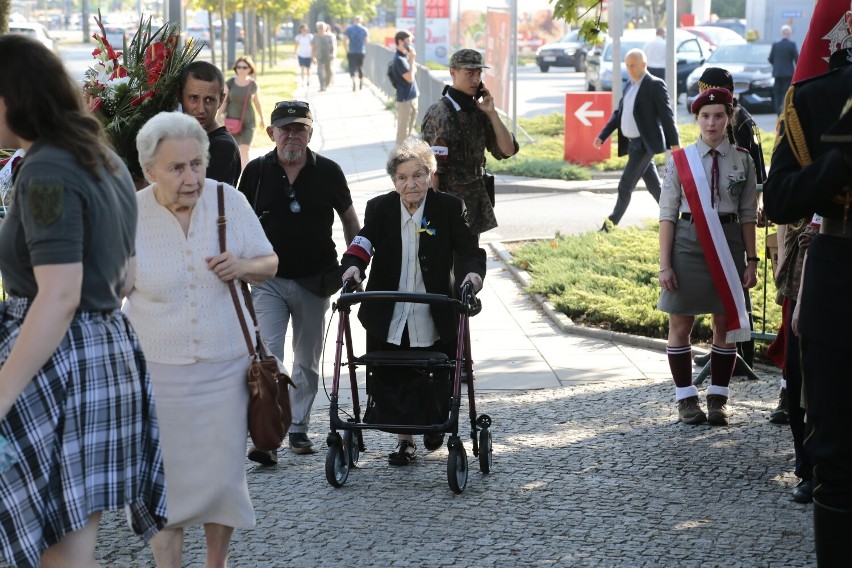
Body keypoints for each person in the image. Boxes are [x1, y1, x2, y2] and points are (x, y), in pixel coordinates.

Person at [0, 34, 167, 568]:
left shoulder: (47, 169)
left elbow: (60, 294)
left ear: (11, 98)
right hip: (105, 357)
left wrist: (1, 393)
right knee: (70, 552)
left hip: (58, 365)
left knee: (57, 551)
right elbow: (123, 277)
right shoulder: (104, 159)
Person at [126, 111, 278, 567]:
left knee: (222, 481)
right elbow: (109, 290)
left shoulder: (228, 200)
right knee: (164, 486)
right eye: (176, 168)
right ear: (150, 171)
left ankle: (217, 563)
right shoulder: (130, 212)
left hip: (225, 369)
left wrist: (243, 266)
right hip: (158, 376)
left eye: (197, 164)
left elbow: (269, 261)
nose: (190, 177)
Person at [763, 3, 852, 562]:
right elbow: (780, 200)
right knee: (836, 454)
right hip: (840, 275)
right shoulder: (817, 100)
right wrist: (840, 164)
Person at [340, 138, 486, 465]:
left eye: (418, 175)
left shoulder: (448, 208)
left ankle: (436, 423)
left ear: (430, 175)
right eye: (403, 178)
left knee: (436, 371)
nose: (411, 184)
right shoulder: (380, 208)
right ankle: (404, 441)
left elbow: (469, 251)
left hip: (434, 310)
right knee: (393, 373)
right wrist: (352, 266)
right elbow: (363, 242)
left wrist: (472, 277)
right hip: (389, 309)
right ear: (394, 182)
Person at [237, 100, 360, 463]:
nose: (292, 135)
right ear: (271, 132)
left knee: (307, 360)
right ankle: (268, 436)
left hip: (315, 279)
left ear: (310, 132)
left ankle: (299, 427)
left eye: (300, 128)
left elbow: (351, 220)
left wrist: (355, 264)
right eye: (285, 128)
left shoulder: (329, 171)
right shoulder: (257, 171)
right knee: (269, 357)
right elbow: (242, 221)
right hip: (268, 279)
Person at [658, 87, 758, 427]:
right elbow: (667, 215)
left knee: (725, 324)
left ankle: (718, 398)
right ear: (696, 119)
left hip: (728, 242)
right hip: (686, 242)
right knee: (680, 322)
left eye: (718, 116)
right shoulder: (679, 159)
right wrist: (664, 264)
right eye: (705, 116)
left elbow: (747, 215)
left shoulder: (743, 159)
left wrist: (753, 260)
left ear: (728, 118)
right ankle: (686, 399)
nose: (711, 123)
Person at [690, 67, 767, 374]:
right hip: (717, 215)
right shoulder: (734, 115)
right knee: (721, 290)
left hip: (734, 218)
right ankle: (721, 348)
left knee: (737, 291)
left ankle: (739, 352)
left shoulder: (739, 121)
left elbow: (753, 169)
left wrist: (757, 203)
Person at [421, 49, 519, 239]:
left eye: (478, 73)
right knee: (452, 264)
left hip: (475, 200)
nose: (475, 79)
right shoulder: (440, 114)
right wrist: (432, 214)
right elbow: (433, 170)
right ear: (453, 73)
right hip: (450, 204)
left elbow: (507, 150)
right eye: (469, 73)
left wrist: (492, 113)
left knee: (470, 261)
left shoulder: (478, 111)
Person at [594, 49, 680, 231]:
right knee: (654, 186)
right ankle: (676, 218)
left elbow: (667, 115)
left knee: (625, 185)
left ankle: (608, 227)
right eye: (627, 65)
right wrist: (603, 135)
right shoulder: (629, 85)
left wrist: (675, 144)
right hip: (633, 145)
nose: (630, 68)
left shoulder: (654, 85)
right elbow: (619, 114)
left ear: (644, 64)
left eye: (633, 65)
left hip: (645, 144)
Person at [179, 60, 241, 187]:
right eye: (193, 98)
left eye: (209, 100)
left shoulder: (223, 148)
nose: (201, 109)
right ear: (179, 96)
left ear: (221, 100)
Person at [222, 55, 265, 170]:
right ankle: (234, 175)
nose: (241, 69)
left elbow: (257, 102)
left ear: (250, 69)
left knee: (245, 149)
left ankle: (245, 175)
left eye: (244, 67)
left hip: (248, 121)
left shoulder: (253, 84)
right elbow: (224, 101)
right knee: (233, 150)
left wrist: (262, 118)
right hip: (231, 121)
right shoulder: (230, 82)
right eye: (239, 67)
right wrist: (217, 116)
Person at [391, 30, 419, 146]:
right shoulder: (399, 59)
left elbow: (414, 71)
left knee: (409, 131)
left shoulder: (404, 57)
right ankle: (399, 158)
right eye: (408, 42)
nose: (410, 45)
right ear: (400, 42)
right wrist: (412, 59)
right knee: (403, 131)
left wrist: (411, 60)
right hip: (405, 100)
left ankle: (405, 156)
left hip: (411, 97)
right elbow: (410, 78)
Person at [768, 25, 799, 115]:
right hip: (788, 74)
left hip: (777, 74)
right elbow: (797, 59)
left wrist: (777, 65)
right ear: (789, 34)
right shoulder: (792, 45)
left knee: (777, 94)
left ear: (782, 33)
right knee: (786, 94)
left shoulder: (775, 45)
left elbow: (770, 59)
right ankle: (784, 113)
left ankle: (778, 113)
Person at [344, 15, 369, 91]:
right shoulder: (364, 29)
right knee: (360, 67)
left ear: (354, 20)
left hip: (351, 51)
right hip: (361, 51)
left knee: (352, 67)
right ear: (361, 21)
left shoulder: (349, 29)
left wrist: (346, 50)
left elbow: (344, 40)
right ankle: (361, 81)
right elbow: (367, 41)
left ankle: (354, 82)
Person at [313, 22, 336, 92]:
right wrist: (313, 57)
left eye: (322, 28)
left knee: (328, 71)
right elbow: (313, 47)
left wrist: (333, 54)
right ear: (317, 29)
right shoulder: (315, 37)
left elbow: (333, 46)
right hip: (319, 56)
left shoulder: (330, 36)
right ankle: (322, 86)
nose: (320, 29)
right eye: (319, 28)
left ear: (325, 28)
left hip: (328, 56)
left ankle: (327, 83)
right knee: (319, 71)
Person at [295, 23, 314, 88]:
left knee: (308, 69)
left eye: (305, 29)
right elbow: (296, 46)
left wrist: (313, 55)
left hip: (308, 55)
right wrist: (295, 53)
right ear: (300, 30)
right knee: (302, 68)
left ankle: (308, 80)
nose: (304, 31)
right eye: (302, 30)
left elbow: (312, 46)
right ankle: (302, 81)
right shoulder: (298, 37)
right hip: (301, 54)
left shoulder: (310, 36)